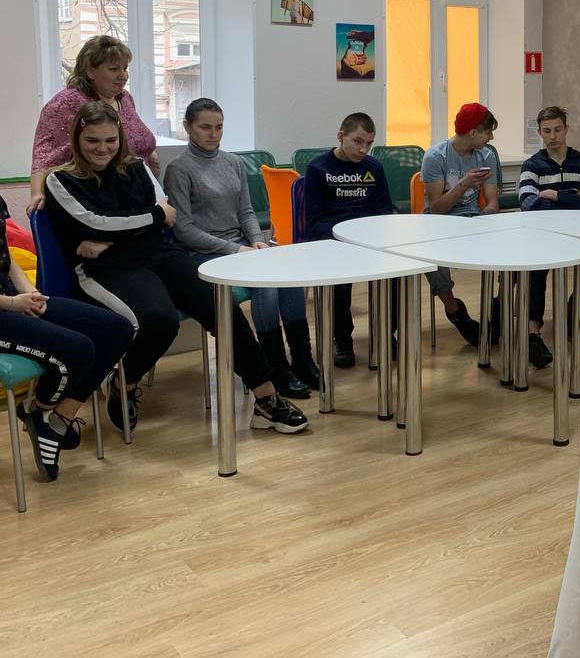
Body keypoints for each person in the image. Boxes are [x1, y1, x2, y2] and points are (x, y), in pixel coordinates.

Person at [42, 101, 307, 435]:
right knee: (160, 321)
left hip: (157, 253)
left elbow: (167, 213)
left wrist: (112, 234)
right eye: (92, 140)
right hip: (106, 269)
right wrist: (142, 220)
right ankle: (125, 381)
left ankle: (267, 398)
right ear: (77, 140)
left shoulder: (136, 167)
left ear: (120, 138)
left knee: (220, 305)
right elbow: (100, 221)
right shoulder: (60, 179)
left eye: (110, 140)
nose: (102, 148)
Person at [164, 98, 317, 397]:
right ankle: (275, 368)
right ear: (188, 127)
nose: (213, 134)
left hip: (241, 245)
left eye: (219, 127)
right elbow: (184, 230)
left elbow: (246, 211)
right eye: (205, 127)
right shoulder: (179, 169)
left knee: (290, 279)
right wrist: (234, 250)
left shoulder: (233, 163)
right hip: (203, 252)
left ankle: (302, 360)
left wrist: (257, 239)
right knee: (265, 287)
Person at [0, 195, 133, 482]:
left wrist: (31, 294)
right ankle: (43, 414)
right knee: (78, 349)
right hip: (4, 309)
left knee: (116, 330)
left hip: (12, 299)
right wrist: (12, 304)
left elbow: (5, 258)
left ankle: (55, 420)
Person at [517, 106, 580, 367]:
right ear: (539, 133)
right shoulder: (532, 165)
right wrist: (574, 196)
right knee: (535, 263)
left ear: (566, 129)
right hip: (544, 232)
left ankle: (572, 312)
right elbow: (528, 204)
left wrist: (555, 195)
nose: (553, 136)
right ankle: (533, 331)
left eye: (557, 129)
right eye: (547, 131)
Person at [303, 111, 395, 368]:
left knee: (398, 272)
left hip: (368, 240)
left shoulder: (373, 168)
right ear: (341, 136)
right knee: (339, 279)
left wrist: (371, 237)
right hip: (334, 240)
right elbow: (315, 219)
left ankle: (386, 331)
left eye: (369, 143)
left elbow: (383, 211)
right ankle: (342, 339)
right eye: (357, 141)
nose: (363, 149)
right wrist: (342, 237)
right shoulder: (318, 168)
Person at [29, 35, 158, 215]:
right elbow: (44, 155)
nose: (123, 76)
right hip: (96, 197)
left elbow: (134, 141)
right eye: (114, 69)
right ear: (90, 71)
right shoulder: (67, 103)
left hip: (135, 193)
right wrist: (37, 194)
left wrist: (150, 154)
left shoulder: (125, 98)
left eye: (125, 68)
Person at [420, 103, 496, 350]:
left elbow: (492, 202)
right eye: (488, 132)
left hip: (473, 219)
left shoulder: (487, 155)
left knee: (515, 247)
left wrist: (487, 218)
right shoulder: (435, 156)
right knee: (428, 254)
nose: (491, 138)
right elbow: (436, 209)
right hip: (439, 223)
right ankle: (454, 310)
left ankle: (500, 306)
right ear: (473, 132)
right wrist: (464, 184)